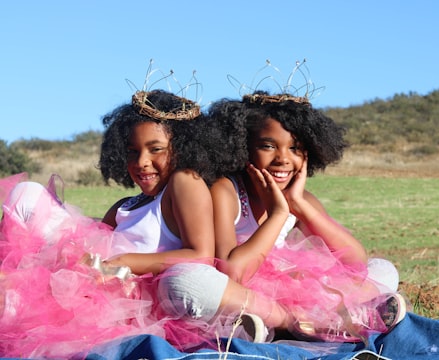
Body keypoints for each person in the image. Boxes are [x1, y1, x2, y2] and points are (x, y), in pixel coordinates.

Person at [0, 89, 291, 357]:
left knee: (186, 283)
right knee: (27, 193)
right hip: (94, 282)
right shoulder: (123, 207)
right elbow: (94, 243)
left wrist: (124, 261)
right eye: (132, 151)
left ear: (182, 148)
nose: (142, 161)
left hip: (138, 296)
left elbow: (201, 255)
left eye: (156, 149)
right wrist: (75, 260)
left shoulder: (183, 181)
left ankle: (236, 327)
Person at [208, 91, 408, 343]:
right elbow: (233, 271)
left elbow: (355, 260)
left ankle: (327, 319)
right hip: (248, 292)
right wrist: (278, 214)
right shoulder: (226, 190)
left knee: (382, 269)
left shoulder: (300, 199)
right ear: (242, 147)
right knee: (200, 287)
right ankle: (307, 322)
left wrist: (299, 205)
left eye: (295, 148)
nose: (282, 159)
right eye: (268, 146)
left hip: (296, 291)